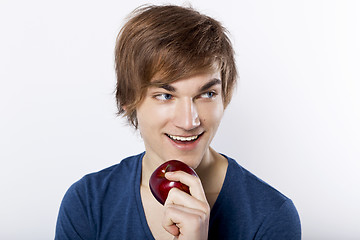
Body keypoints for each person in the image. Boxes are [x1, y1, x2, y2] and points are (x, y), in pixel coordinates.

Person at [55, 4, 301, 240]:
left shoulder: (270, 215)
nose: (188, 121)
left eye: (207, 94)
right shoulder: (87, 203)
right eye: (165, 96)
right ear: (128, 100)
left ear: (225, 96)